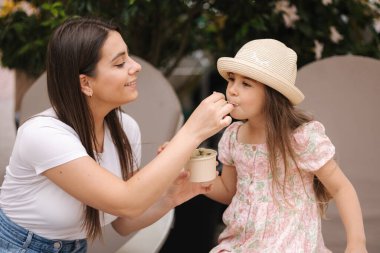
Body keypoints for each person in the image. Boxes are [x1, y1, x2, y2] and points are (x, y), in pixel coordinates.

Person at [0, 17, 234, 253]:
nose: (136, 66)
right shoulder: (43, 134)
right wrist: (192, 131)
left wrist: (170, 198)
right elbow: (127, 201)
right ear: (85, 83)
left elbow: (123, 221)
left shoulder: (124, 128)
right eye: (120, 63)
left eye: (128, 57)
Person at [204, 39, 367, 253]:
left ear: (272, 94)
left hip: (292, 245)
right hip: (240, 245)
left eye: (246, 84)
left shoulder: (301, 138)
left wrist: (357, 244)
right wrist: (190, 168)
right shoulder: (233, 137)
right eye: (232, 80)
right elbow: (227, 190)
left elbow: (341, 188)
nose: (232, 90)